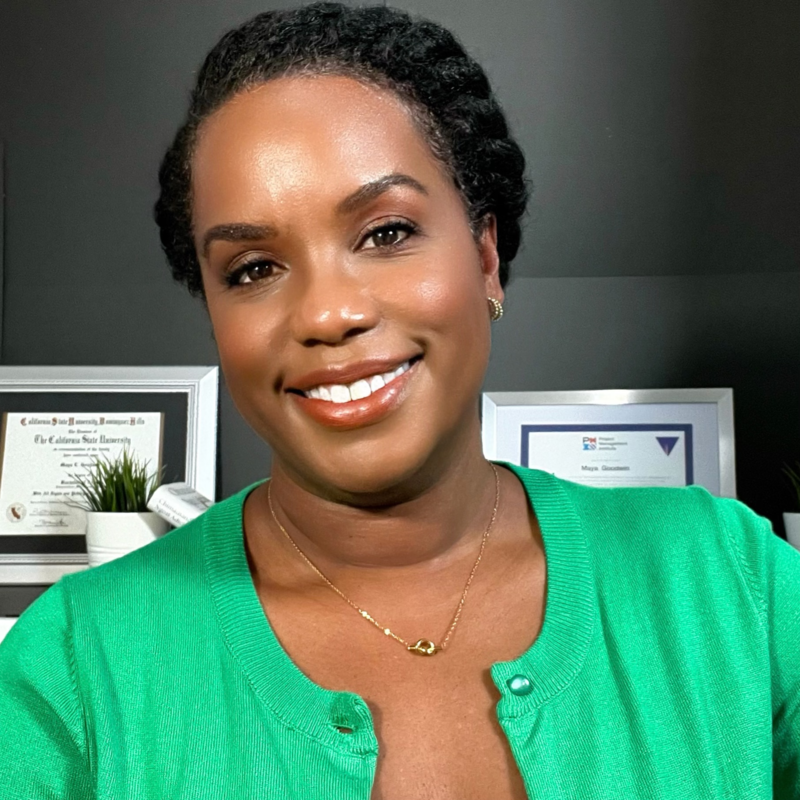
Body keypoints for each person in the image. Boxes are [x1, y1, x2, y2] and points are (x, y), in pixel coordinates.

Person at [1, 4, 798, 798]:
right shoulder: (70, 672)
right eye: (253, 269)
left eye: (385, 233)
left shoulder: (733, 581)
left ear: (485, 257)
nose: (326, 314)